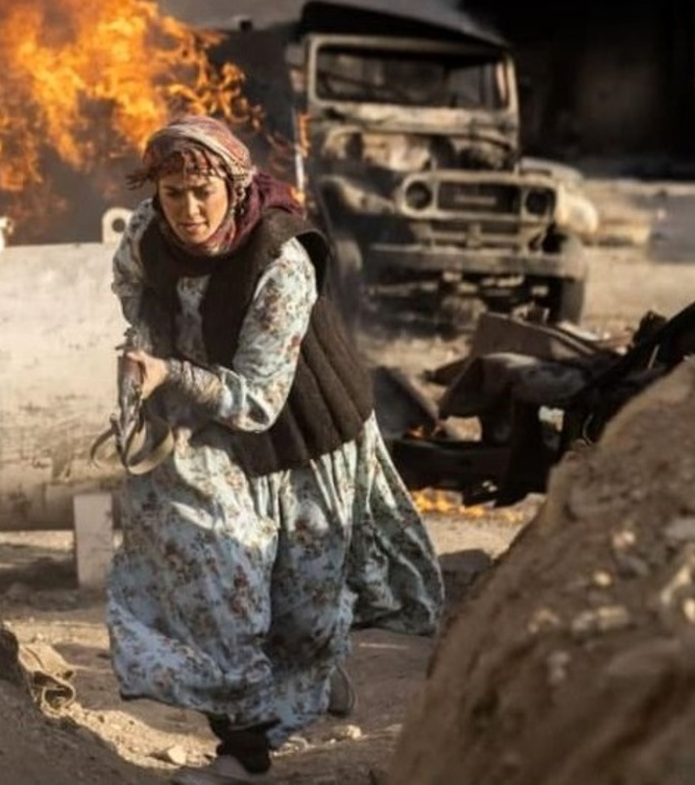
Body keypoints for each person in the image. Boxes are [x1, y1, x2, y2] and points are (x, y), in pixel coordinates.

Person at [105, 114, 444, 785]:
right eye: (174, 195)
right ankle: (245, 751)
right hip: (212, 432)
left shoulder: (281, 262)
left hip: (303, 436)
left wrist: (171, 373)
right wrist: (146, 348)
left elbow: (258, 401)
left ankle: (316, 670)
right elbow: (133, 288)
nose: (189, 210)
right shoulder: (147, 233)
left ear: (234, 189)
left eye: (203, 193)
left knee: (301, 614)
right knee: (218, 580)